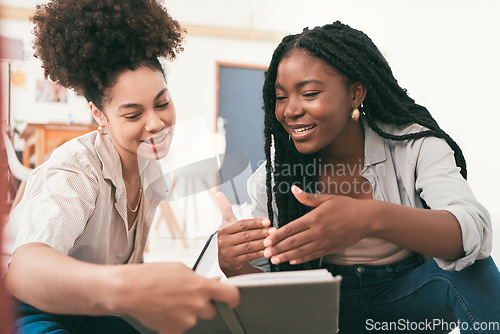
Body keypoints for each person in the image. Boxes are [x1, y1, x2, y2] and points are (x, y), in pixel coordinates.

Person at [216, 21, 500, 333]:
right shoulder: (277, 174)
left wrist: (371, 217)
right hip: (322, 316)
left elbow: (475, 231)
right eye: (280, 97)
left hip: (405, 309)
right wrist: (234, 265)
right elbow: (269, 300)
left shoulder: (415, 146)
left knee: (474, 268)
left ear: (355, 94)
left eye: (309, 93)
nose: (290, 111)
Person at [4, 0, 240, 333]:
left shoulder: (152, 171)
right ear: (99, 115)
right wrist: (128, 287)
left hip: (90, 309)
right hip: (27, 307)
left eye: (162, 103)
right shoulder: (76, 169)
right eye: (133, 115)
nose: (156, 123)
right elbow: (25, 272)